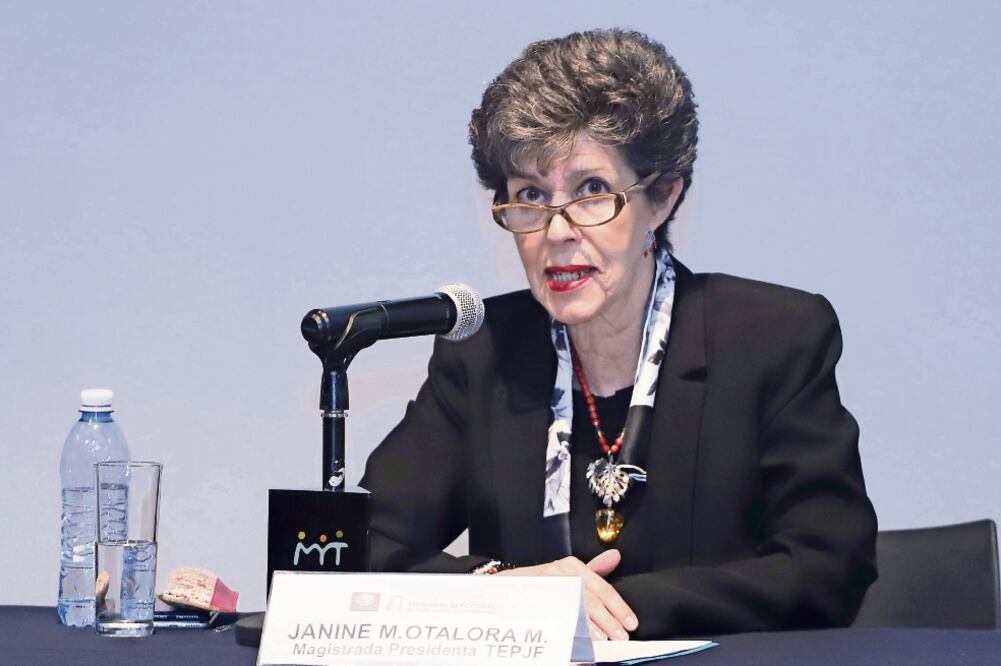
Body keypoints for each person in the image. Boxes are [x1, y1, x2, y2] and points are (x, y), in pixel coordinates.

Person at [359, 28, 877, 641]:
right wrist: (500, 591)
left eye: (592, 191)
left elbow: (826, 566)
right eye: (529, 195)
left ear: (661, 197)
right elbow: (365, 544)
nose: (556, 231)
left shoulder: (772, 337)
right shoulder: (483, 351)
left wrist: (605, 610)